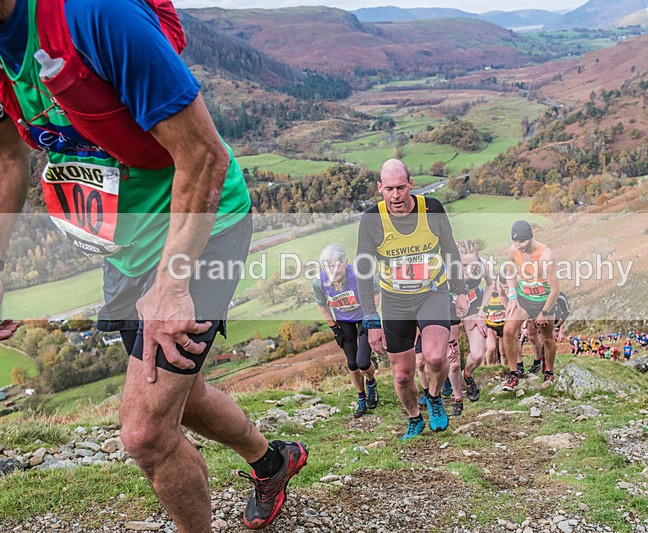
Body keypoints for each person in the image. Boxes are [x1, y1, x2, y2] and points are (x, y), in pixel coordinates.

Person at [0, 1, 306, 530]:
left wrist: (172, 283)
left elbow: (204, 155)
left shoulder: (94, 14)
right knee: (181, 398)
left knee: (146, 432)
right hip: (125, 248)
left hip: (203, 230)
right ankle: (272, 463)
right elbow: (7, 160)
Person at [355, 159, 468, 440]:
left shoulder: (432, 209)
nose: (396, 196)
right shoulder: (372, 219)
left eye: (401, 188)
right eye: (389, 189)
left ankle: (434, 398)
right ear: (380, 188)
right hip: (395, 301)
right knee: (403, 375)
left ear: (411, 185)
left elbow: (450, 249)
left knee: (435, 356)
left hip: (432, 292)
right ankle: (415, 418)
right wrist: (371, 320)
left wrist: (461, 290)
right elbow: (363, 272)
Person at [313, 244, 380, 418]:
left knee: (363, 362)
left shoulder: (359, 273)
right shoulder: (319, 282)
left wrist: (370, 315)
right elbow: (322, 305)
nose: (333, 271)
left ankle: (371, 383)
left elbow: (377, 292)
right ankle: (361, 398)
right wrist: (334, 328)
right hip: (344, 321)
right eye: (328, 266)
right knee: (352, 363)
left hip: (364, 316)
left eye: (336, 265)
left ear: (345, 262)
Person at [502, 221, 560, 391]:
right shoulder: (513, 251)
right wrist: (512, 296)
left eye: (521, 242)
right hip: (524, 299)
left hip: (544, 300)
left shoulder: (545, 256)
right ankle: (514, 374)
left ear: (530, 237)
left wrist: (544, 312)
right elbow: (510, 272)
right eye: (515, 242)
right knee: (508, 330)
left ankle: (548, 371)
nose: (518, 246)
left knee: (547, 337)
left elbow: (555, 290)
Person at [452, 240, 492, 409]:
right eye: (462, 264)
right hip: (450, 306)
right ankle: (457, 398)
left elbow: (490, 284)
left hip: (473, 305)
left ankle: (467, 375)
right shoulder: (446, 266)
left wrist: (482, 311)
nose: (467, 269)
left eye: (470, 264)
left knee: (477, 355)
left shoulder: (484, 265)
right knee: (452, 358)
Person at [484, 278, 508, 366]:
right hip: (491, 325)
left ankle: (504, 368)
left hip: (503, 325)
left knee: (503, 352)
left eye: (496, 285)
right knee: (491, 348)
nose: (494, 287)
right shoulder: (486, 296)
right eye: (492, 285)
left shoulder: (504, 295)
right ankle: (489, 367)